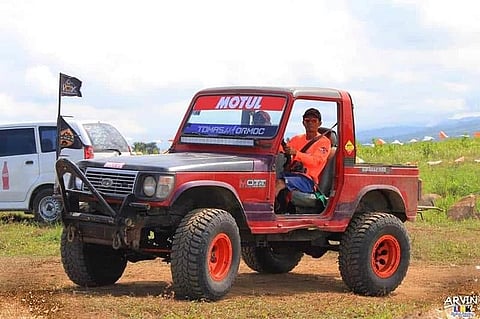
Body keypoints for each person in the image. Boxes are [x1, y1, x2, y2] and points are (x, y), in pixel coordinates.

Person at [275, 108, 331, 198]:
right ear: (303, 123)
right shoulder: (297, 139)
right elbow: (283, 150)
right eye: (307, 120)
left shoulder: (324, 142)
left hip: (308, 180)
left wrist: (296, 154)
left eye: (314, 121)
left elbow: (316, 161)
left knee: (280, 183)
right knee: (268, 179)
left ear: (319, 123)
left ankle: (267, 210)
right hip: (292, 174)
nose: (310, 123)